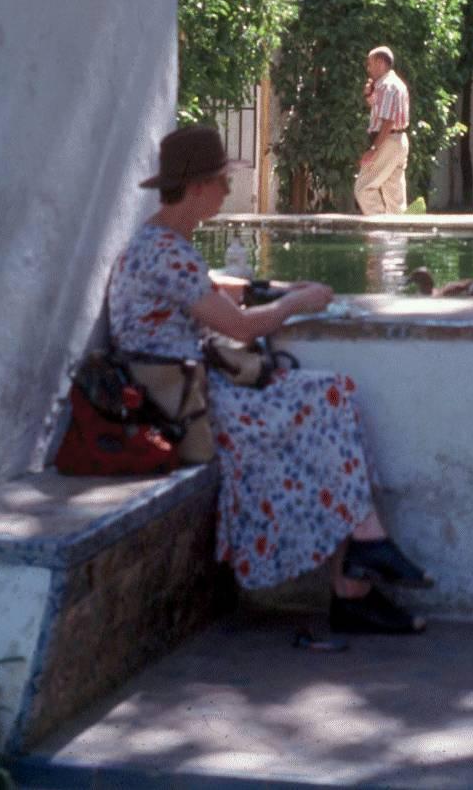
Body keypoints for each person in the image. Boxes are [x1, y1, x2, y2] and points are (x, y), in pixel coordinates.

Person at [109, 123, 432, 636]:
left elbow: (215, 287)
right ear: (196, 188)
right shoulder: (164, 251)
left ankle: (360, 571)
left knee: (334, 394)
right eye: (220, 181)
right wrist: (294, 303)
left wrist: (276, 287)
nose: (226, 189)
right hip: (184, 405)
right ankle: (360, 571)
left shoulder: (163, 241)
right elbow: (235, 325)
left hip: (192, 388)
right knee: (322, 407)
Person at [354, 46, 410, 215]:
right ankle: (397, 237)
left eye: (370, 63)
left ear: (380, 62)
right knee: (394, 195)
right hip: (399, 141)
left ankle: (380, 230)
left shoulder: (387, 86)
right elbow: (382, 111)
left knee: (363, 188)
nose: (368, 68)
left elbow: (387, 122)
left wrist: (373, 149)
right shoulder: (394, 84)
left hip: (388, 140)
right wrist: (369, 95)